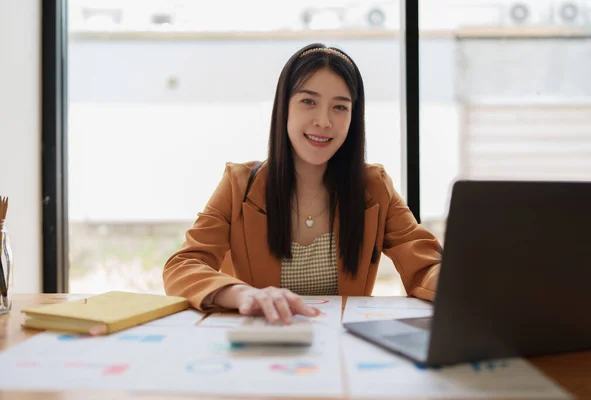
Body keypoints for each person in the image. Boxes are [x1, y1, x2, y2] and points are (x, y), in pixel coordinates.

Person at [163, 43, 442, 325]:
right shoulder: (238, 185)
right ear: (284, 107)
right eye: (308, 101)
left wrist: (462, 283)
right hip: (263, 340)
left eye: (339, 107)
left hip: (342, 345)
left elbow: (426, 265)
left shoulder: (374, 187)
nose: (323, 121)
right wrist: (241, 294)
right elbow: (183, 266)